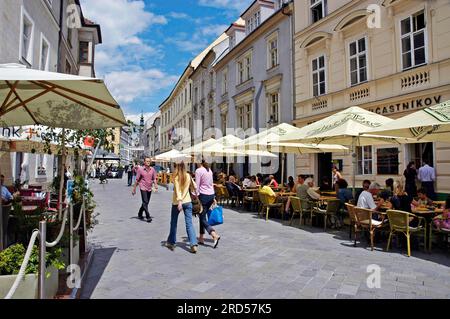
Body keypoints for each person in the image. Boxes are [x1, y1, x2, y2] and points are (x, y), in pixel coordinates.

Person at [165, 161, 198, 253]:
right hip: (188, 201)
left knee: (173, 222)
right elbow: (195, 186)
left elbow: (178, 190)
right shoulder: (188, 175)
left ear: (177, 167)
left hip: (177, 203)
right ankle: (193, 244)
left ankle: (171, 242)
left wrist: (179, 201)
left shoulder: (176, 177)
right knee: (189, 223)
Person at [195, 160, 221, 248]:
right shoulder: (209, 170)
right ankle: (201, 238)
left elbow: (197, 186)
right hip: (211, 195)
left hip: (203, 196)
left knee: (202, 218)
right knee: (202, 216)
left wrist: (195, 197)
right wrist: (213, 197)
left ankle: (213, 234)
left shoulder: (198, 171)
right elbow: (210, 184)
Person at [132, 157, 158, 222]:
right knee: (145, 201)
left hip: (149, 188)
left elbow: (154, 178)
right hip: (142, 187)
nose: (148, 162)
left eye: (149, 161)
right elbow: (137, 180)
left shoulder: (152, 169)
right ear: (144, 162)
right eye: (147, 161)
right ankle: (148, 216)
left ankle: (140, 213)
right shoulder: (140, 170)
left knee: (146, 202)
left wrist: (155, 184)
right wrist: (134, 189)